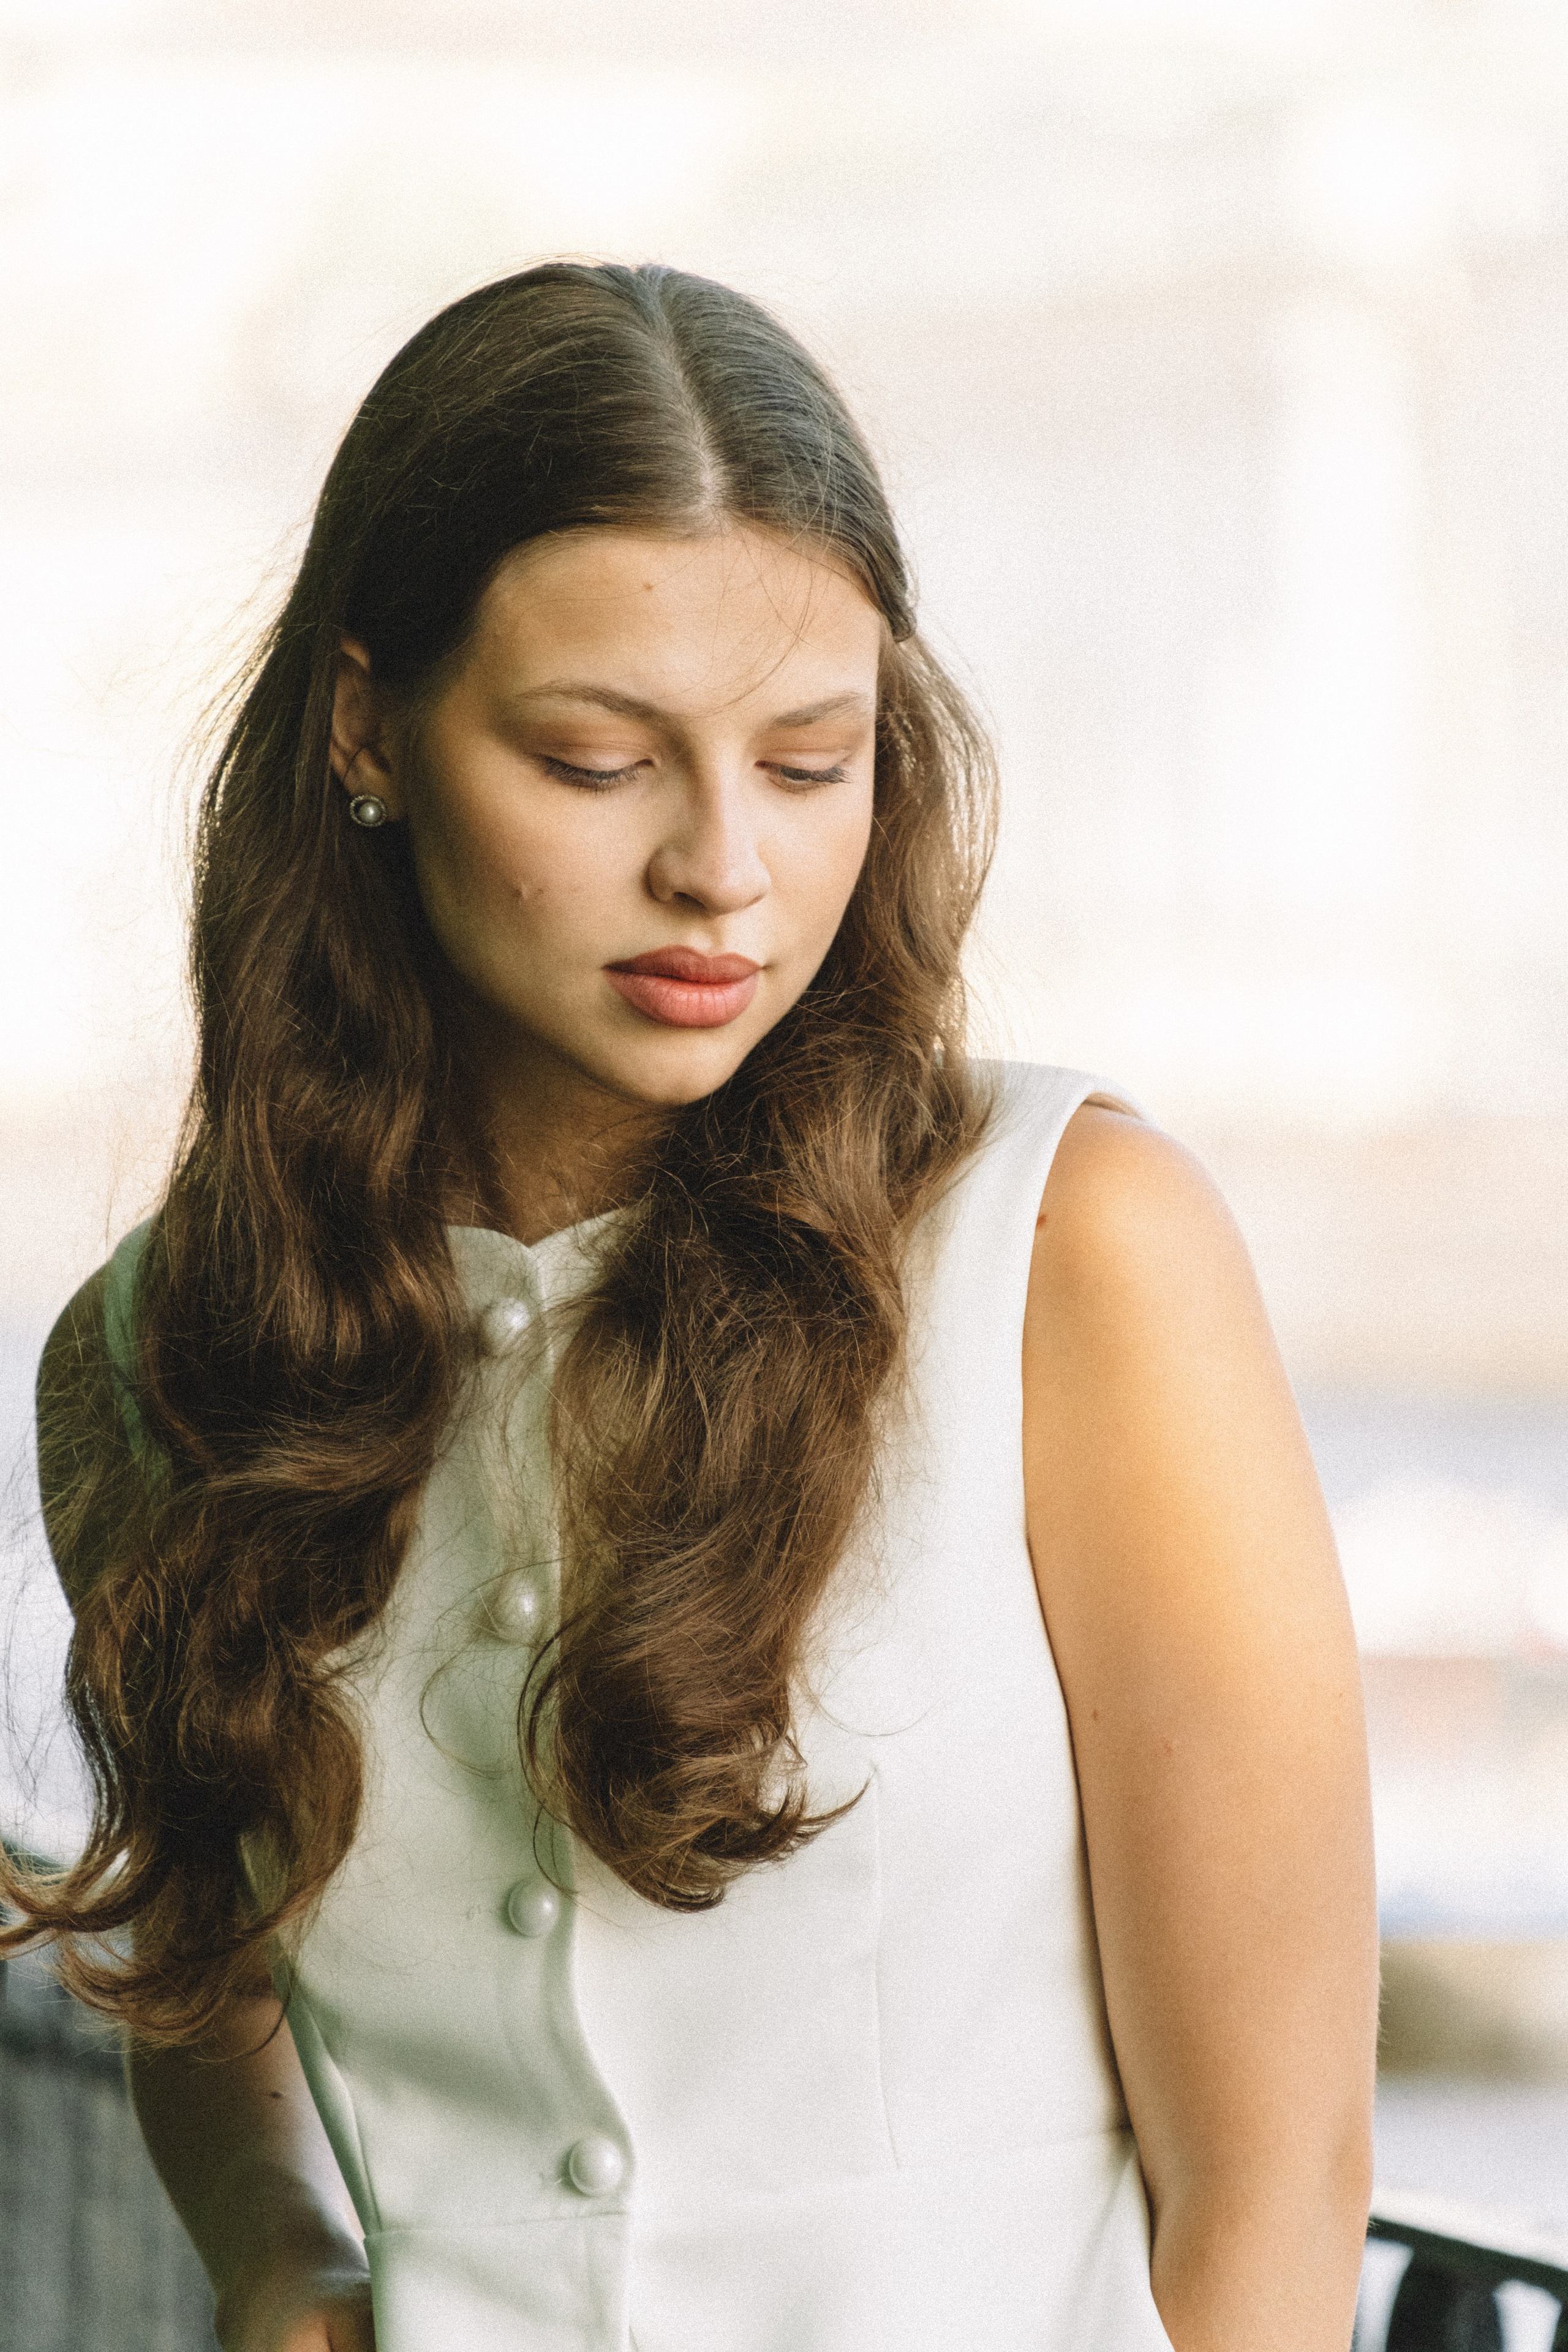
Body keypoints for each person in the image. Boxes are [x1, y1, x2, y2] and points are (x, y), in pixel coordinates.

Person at [7, 262, 1378, 2352]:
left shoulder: (1069, 1251)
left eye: (811, 763)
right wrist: (284, 2257)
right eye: (592, 761)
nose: (723, 868)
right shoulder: (153, 1366)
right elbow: (212, 1970)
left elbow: (1276, 2184)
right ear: (369, 729)